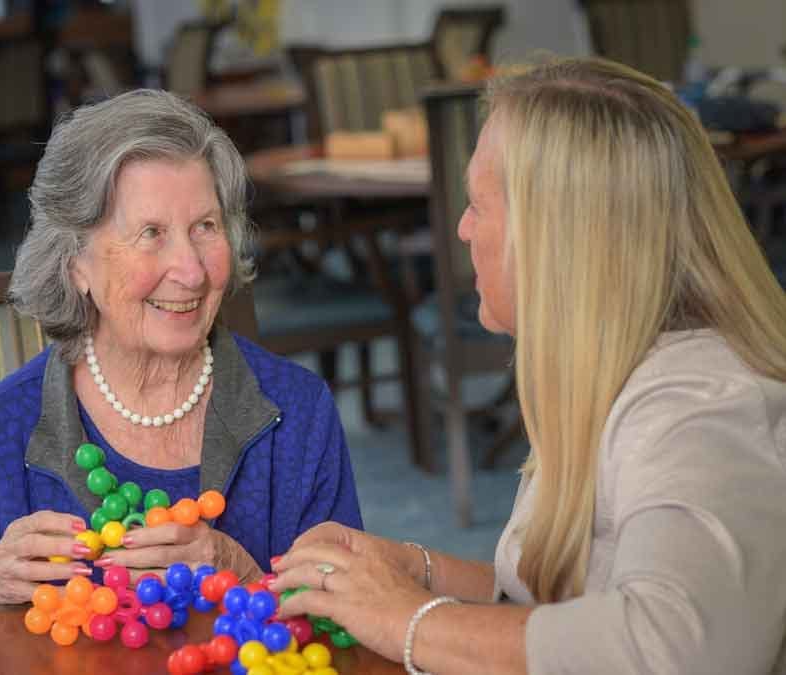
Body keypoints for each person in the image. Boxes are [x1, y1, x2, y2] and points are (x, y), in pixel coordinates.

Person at [270, 57, 786, 674]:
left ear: (555, 238)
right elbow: (577, 603)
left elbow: (670, 647)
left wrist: (404, 618)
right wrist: (416, 571)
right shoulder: (613, 370)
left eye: (477, 206)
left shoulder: (702, 406)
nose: (462, 229)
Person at [0, 89, 363, 609]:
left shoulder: (298, 414)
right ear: (76, 263)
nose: (192, 270)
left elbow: (351, 622)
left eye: (206, 227)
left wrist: (246, 576)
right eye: (151, 233)